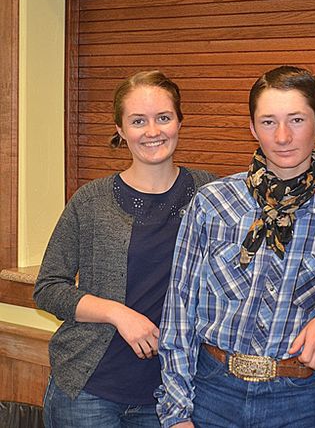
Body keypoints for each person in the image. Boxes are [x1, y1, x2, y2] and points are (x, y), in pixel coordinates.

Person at [156, 65, 315, 428]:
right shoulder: (213, 203)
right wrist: (176, 412)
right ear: (253, 128)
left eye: (297, 120)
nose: (283, 136)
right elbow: (179, 308)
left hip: (295, 397)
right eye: (269, 122)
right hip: (211, 391)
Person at [34, 70, 217, 427]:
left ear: (180, 121)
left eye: (163, 118)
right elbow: (48, 289)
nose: (152, 131)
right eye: (138, 121)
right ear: (120, 130)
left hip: (172, 394)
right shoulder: (90, 200)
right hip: (88, 392)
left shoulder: (210, 194)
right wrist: (118, 313)